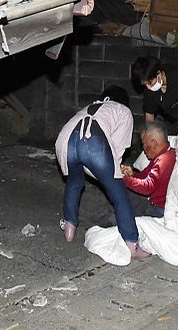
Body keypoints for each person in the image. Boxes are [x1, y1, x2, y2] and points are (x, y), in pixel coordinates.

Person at [54, 86, 151, 260]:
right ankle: (132, 244)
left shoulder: (90, 106)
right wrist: (117, 170)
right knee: (119, 196)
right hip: (93, 144)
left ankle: (69, 228)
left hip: (65, 140)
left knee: (74, 183)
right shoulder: (124, 111)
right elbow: (117, 149)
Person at [121, 122, 176, 217]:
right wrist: (132, 174)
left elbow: (147, 187)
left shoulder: (164, 161)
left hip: (157, 209)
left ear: (153, 143)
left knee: (122, 192)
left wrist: (124, 179)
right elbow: (145, 175)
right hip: (157, 204)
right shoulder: (165, 155)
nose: (143, 148)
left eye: (144, 144)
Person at [130, 56, 178, 135]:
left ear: (158, 73)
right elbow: (149, 114)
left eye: (150, 83)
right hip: (174, 121)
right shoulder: (149, 90)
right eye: (145, 85)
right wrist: (149, 134)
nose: (148, 87)